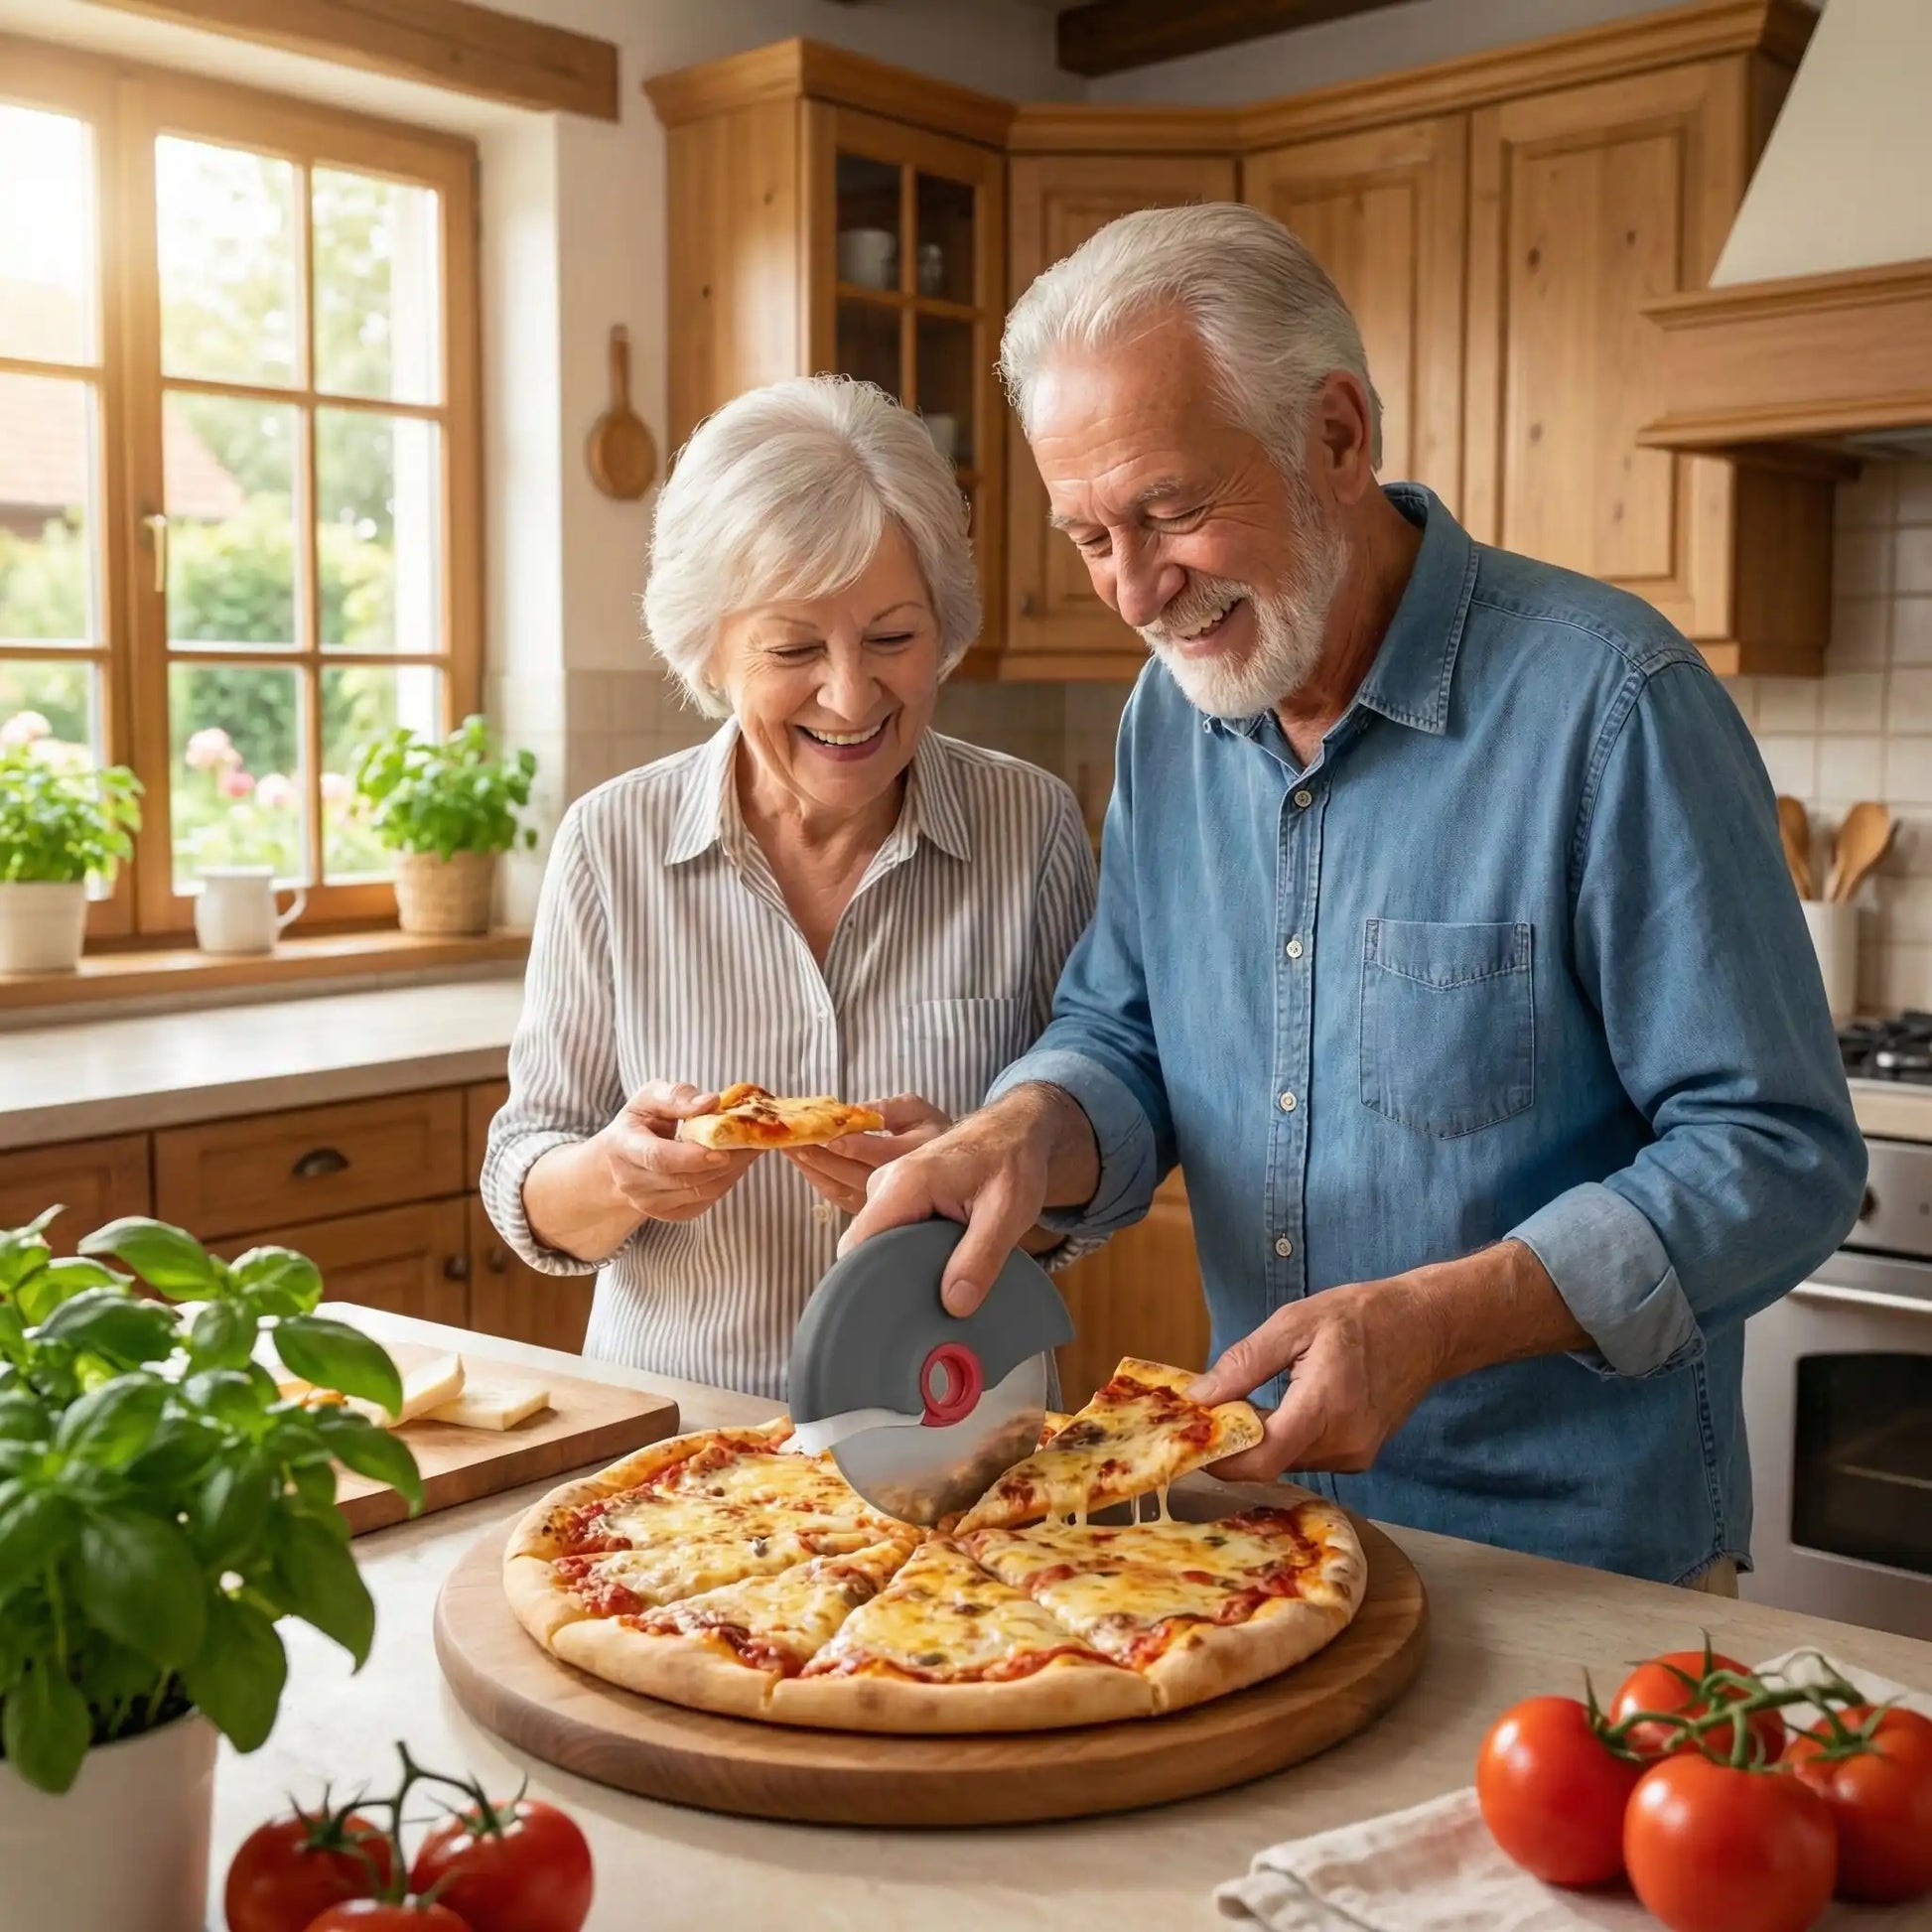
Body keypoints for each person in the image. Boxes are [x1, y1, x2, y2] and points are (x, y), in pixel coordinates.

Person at [842, 204, 1865, 1587]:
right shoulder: (1168, 714)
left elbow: (1777, 1152)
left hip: (1569, 1566)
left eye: (1172, 511)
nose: (1137, 591)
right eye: (1088, 536)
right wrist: (1027, 1128)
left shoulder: (1611, 704)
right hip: (1245, 1544)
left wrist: (1441, 1319)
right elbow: (1126, 1033)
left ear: (1334, 434)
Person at [482, 376, 1096, 1398]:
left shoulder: (1028, 828)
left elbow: (1078, 1179)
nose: (850, 694)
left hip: (956, 1442)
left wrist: (979, 1170)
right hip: (678, 1457)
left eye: (893, 638)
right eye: (793, 647)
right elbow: (528, 1177)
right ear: (710, 650)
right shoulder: (609, 843)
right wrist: (616, 1174)